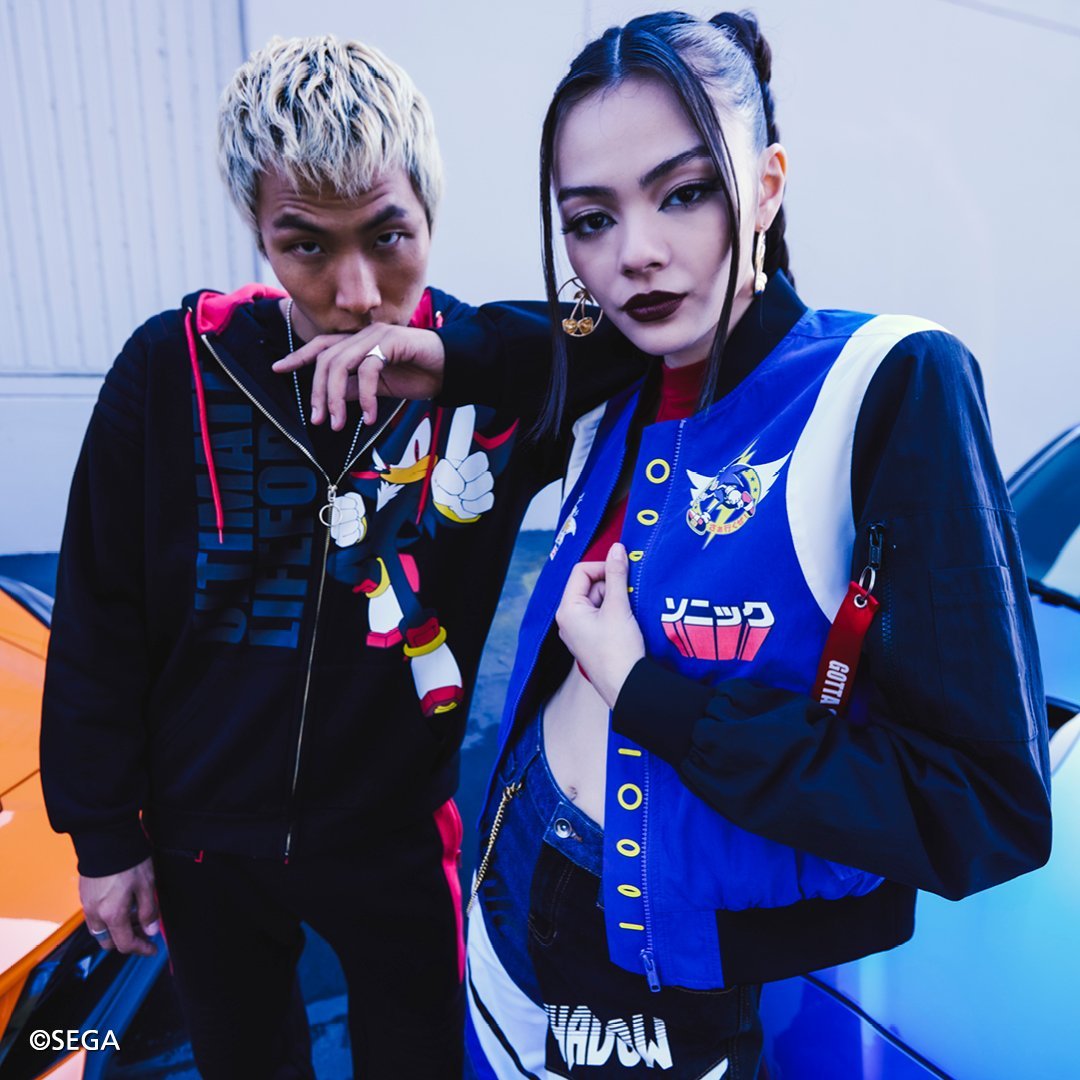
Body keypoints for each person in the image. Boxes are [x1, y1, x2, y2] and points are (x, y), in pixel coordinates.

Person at [277, 11, 1053, 1078]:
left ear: (767, 185)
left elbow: (986, 808)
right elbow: (546, 336)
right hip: (509, 893)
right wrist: (451, 357)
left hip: (672, 982)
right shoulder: (625, 366)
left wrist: (649, 693)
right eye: (590, 219)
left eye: (684, 193)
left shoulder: (888, 382)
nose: (634, 253)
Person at [39, 34, 632, 1080]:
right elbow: (99, 610)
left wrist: (454, 359)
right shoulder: (174, 364)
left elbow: (644, 335)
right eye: (306, 245)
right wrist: (103, 837)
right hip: (202, 835)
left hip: (396, 832)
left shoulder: (489, 376)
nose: (357, 291)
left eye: (389, 235)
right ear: (258, 233)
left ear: (431, 212)